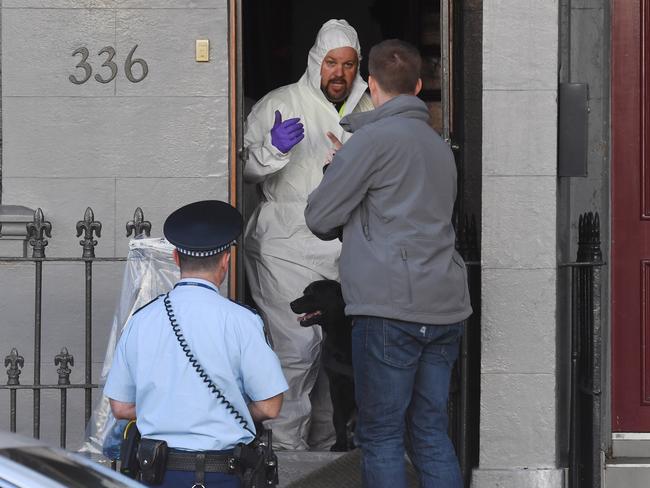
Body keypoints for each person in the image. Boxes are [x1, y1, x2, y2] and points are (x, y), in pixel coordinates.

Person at [304, 40, 472, 488]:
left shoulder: (371, 142)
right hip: (444, 306)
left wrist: (337, 171)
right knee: (431, 433)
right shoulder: (439, 146)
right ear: (417, 86)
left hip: (388, 309)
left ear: (371, 84)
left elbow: (320, 218)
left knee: (380, 436)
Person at [243, 19, 374, 450]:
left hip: (346, 247)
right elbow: (241, 171)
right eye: (332, 62)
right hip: (284, 245)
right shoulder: (278, 104)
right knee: (295, 354)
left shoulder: (372, 110)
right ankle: (284, 455)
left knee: (335, 358)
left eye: (349, 64)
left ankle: (321, 460)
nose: (340, 73)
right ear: (317, 61)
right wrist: (273, 148)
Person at [104, 200, 288, 488]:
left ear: (176, 258)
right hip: (225, 473)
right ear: (226, 260)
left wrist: (172, 409)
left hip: (159, 473)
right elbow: (270, 406)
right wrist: (213, 409)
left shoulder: (141, 320)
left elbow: (121, 407)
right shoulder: (242, 321)